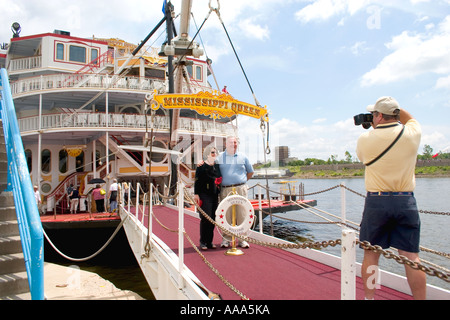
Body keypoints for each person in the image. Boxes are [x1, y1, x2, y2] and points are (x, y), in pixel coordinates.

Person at [356, 96, 426, 300]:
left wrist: (374, 126)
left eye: (373, 114)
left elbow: (363, 158)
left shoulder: (366, 139)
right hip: (406, 201)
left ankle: (370, 298)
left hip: (377, 201)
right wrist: (395, 110)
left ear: (378, 116)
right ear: (395, 114)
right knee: (412, 258)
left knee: (371, 254)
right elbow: (409, 117)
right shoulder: (412, 133)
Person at [217, 136, 254, 248]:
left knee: (242, 214)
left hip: (240, 188)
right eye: (231, 142)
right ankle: (226, 239)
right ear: (225, 144)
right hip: (225, 189)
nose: (234, 144)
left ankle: (242, 240)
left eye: (236, 142)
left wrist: (241, 182)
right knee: (226, 214)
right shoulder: (219, 157)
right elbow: (210, 167)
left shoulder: (243, 157)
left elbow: (250, 172)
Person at [194, 146, 222, 250]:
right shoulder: (201, 166)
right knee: (205, 218)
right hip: (204, 195)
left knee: (213, 218)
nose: (215, 154)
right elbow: (197, 181)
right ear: (207, 154)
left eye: (216, 152)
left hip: (214, 195)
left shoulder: (217, 166)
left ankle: (210, 241)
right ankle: (203, 242)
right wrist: (196, 194)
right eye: (212, 152)